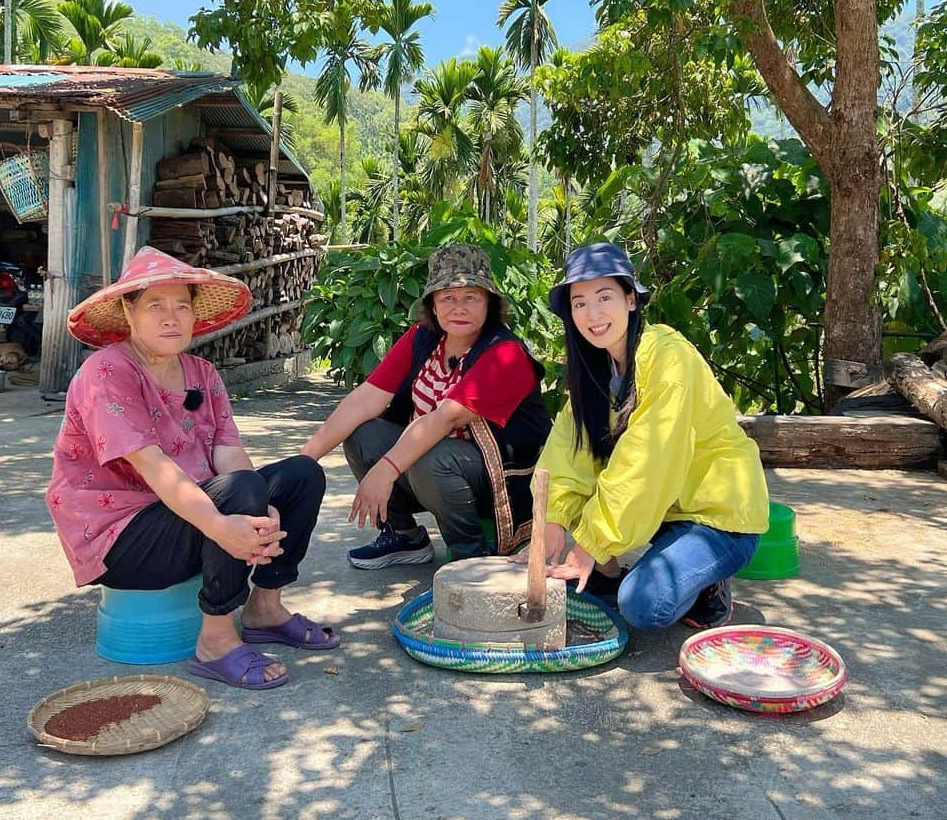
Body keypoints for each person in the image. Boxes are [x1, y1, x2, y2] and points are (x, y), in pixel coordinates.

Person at [46, 246, 337, 691]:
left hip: (187, 511)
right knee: (239, 493)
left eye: (182, 306)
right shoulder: (106, 372)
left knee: (301, 475)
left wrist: (263, 515)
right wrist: (224, 526)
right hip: (121, 536)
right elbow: (156, 468)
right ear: (128, 311)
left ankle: (264, 609)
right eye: (155, 306)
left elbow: (229, 454)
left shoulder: (202, 372)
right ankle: (216, 642)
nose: (171, 317)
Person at [536, 242, 768, 629]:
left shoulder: (667, 357)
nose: (592, 314)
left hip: (717, 516)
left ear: (631, 299)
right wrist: (553, 523)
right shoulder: (596, 367)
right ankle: (607, 573)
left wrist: (591, 543)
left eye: (604, 297)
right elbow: (567, 450)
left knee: (644, 603)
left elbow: (646, 463)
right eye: (579, 303)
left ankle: (711, 582)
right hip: (667, 510)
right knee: (573, 509)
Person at [301, 244, 552, 566]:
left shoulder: (506, 355)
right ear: (432, 304)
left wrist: (385, 470)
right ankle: (404, 536)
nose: (458, 308)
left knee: (428, 453)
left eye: (471, 297)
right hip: (443, 466)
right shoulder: (423, 338)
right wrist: (303, 462)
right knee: (364, 433)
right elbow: (364, 399)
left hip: (503, 481)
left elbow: (444, 420)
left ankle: (468, 559)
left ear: (490, 303)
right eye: (447, 297)